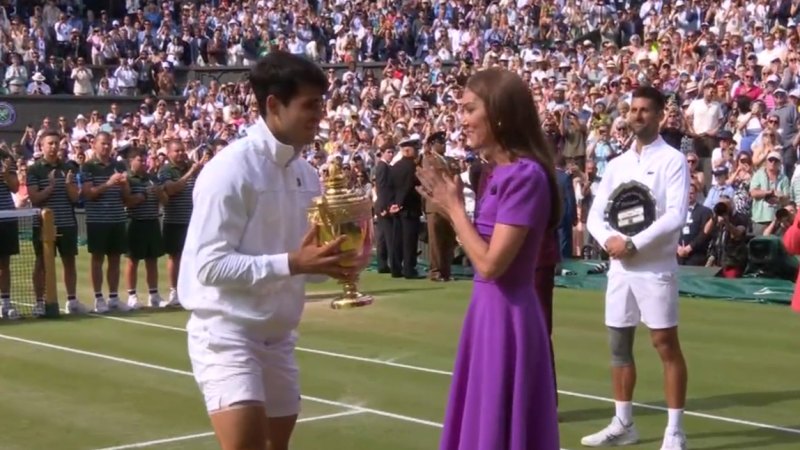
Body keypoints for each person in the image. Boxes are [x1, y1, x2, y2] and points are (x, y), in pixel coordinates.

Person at [178, 52, 360, 450]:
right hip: (226, 333)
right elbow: (209, 266)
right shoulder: (229, 170)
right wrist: (294, 262)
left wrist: (334, 263)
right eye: (310, 104)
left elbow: (303, 266)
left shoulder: (307, 173)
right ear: (274, 105)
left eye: (321, 104)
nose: (320, 114)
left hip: (279, 336)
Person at [416, 67, 562, 450]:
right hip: (487, 311)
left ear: (499, 113)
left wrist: (453, 209)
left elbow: (491, 264)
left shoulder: (525, 176)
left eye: (469, 110)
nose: (461, 120)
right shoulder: (499, 172)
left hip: (508, 316)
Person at [584, 86, 690, 449]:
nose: (637, 115)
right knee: (618, 344)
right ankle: (623, 422)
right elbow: (596, 215)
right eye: (633, 109)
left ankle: (675, 431)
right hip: (620, 269)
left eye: (645, 110)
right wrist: (610, 242)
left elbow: (675, 215)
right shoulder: (617, 164)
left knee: (665, 344)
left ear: (660, 115)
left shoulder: (673, 160)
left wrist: (632, 243)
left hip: (655, 268)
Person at [27, 130, 86, 315]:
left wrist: (68, 185)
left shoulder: (69, 167)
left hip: (67, 223)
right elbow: (35, 198)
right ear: (42, 146)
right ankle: (39, 302)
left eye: (56, 143)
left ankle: (71, 301)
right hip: (44, 225)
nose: (53, 147)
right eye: (50, 143)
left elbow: (76, 197)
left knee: (69, 262)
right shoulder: (34, 169)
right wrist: (51, 187)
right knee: (42, 264)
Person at [80, 132, 131, 313]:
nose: (106, 147)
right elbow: (88, 194)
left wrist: (124, 185)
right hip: (97, 220)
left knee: (115, 259)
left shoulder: (118, 165)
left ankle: (114, 298)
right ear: (94, 145)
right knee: (97, 259)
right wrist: (109, 183)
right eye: (103, 143)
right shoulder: (88, 167)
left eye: (109, 143)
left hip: (117, 218)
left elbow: (126, 198)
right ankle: (98, 298)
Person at [159, 139, 205, 308]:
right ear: (169, 153)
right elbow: (171, 189)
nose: (180, 154)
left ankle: (194, 290)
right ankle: (174, 291)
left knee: (195, 256)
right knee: (175, 256)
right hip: (174, 220)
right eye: (176, 151)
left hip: (194, 221)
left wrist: (199, 170)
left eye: (182, 151)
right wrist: (191, 173)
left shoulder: (192, 166)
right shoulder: (165, 170)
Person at [123, 150, 168, 309]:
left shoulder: (152, 178)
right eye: (139, 160)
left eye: (144, 160)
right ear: (131, 161)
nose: (143, 163)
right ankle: (132, 296)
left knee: (152, 259)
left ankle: (154, 295)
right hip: (135, 222)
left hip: (152, 221)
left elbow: (165, 201)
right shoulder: (127, 178)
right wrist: (142, 196)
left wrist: (159, 193)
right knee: (132, 260)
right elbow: (126, 201)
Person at [421, 131, 458, 281]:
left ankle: (446, 271)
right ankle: (435, 271)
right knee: (436, 240)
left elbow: (455, 174)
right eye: (439, 142)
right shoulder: (428, 160)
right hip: (434, 203)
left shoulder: (448, 160)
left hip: (448, 203)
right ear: (432, 145)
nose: (443, 145)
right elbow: (431, 179)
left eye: (443, 142)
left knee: (448, 239)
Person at [389, 136, 423, 279]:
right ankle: (409, 269)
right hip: (409, 208)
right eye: (415, 149)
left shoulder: (395, 166)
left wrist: (393, 204)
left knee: (397, 240)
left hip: (396, 208)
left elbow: (390, 187)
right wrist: (401, 203)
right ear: (408, 151)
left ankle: (396, 269)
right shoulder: (413, 167)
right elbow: (409, 187)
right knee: (409, 241)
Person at [0, 149, 19, 319]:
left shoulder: (7, 159)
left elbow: (15, 187)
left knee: (4, 264)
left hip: (6, 218)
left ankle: (5, 303)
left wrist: (5, 173)